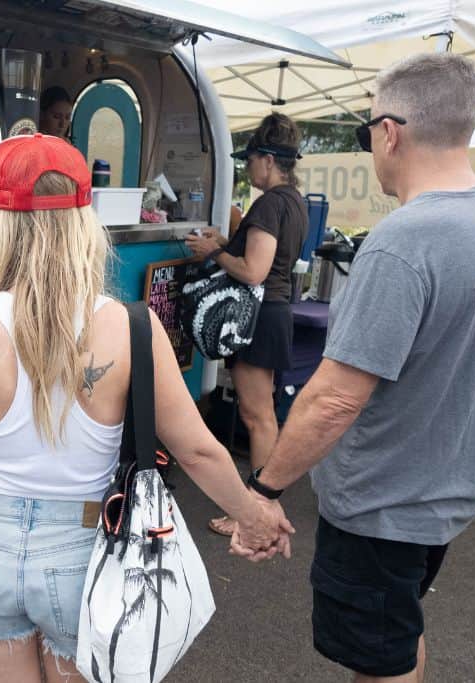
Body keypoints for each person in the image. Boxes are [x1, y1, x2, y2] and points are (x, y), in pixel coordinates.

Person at [0, 134, 293, 682]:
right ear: (82, 225)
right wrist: (254, 514)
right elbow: (197, 450)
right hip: (87, 551)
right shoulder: (129, 326)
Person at [232, 53, 475, 681]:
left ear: (391, 131)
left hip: (383, 505)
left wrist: (263, 492)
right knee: (399, 633)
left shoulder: (405, 240)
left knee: (380, 659)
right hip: (446, 493)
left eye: (367, 130)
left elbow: (335, 398)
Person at [185, 113, 308, 537]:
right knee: (265, 415)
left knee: (257, 417)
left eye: (250, 159)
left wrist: (212, 252)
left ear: (268, 159)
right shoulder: (294, 201)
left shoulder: (270, 203)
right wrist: (226, 243)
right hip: (275, 313)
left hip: (257, 317)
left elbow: (254, 271)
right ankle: (262, 505)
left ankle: (253, 513)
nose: (247, 168)